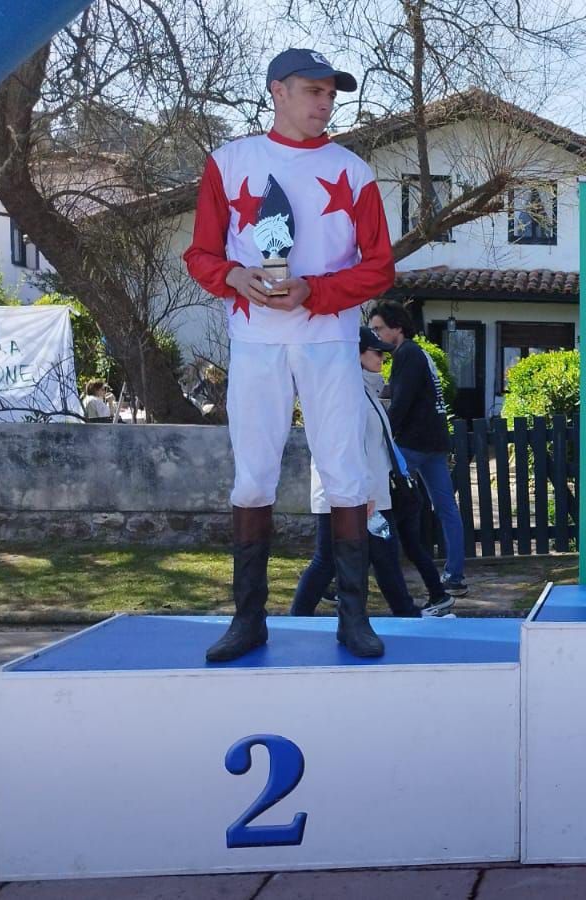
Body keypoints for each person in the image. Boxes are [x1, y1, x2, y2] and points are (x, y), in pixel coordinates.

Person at [183, 48, 395, 661]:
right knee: (252, 475)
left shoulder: (354, 171)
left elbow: (379, 265)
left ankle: (353, 618)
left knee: (346, 472)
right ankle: (248, 618)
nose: (324, 103)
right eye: (312, 90)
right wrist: (233, 278)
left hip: (328, 340)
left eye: (332, 94)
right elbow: (200, 254)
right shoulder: (229, 162)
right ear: (277, 90)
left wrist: (316, 292)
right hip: (255, 342)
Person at [291, 327, 425, 619]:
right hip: (351, 496)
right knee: (330, 559)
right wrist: (365, 493)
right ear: (356, 354)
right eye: (375, 352)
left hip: (368, 495)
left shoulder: (365, 391)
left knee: (383, 556)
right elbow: (348, 447)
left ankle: (406, 612)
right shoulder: (348, 394)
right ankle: (298, 615)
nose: (381, 358)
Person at [368, 300, 469, 598]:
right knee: (446, 508)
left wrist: (382, 436)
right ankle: (455, 575)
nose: (375, 336)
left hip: (414, 443)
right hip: (435, 441)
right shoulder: (417, 353)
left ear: (397, 328)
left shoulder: (406, 355)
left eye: (379, 329)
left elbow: (401, 403)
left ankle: (357, 569)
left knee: (376, 499)